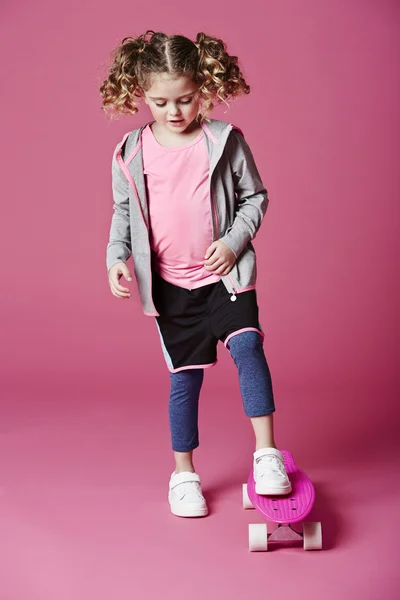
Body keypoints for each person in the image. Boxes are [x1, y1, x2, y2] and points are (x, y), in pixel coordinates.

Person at [100, 30, 292, 518]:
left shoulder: (224, 141)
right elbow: (123, 213)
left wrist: (233, 243)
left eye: (185, 99)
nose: (174, 112)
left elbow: (255, 197)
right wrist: (116, 258)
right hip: (171, 289)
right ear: (140, 93)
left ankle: (267, 456)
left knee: (248, 345)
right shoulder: (130, 151)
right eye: (160, 101)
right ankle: (183, 475)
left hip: (224, 280)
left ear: (202, 89)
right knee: (184, 380)